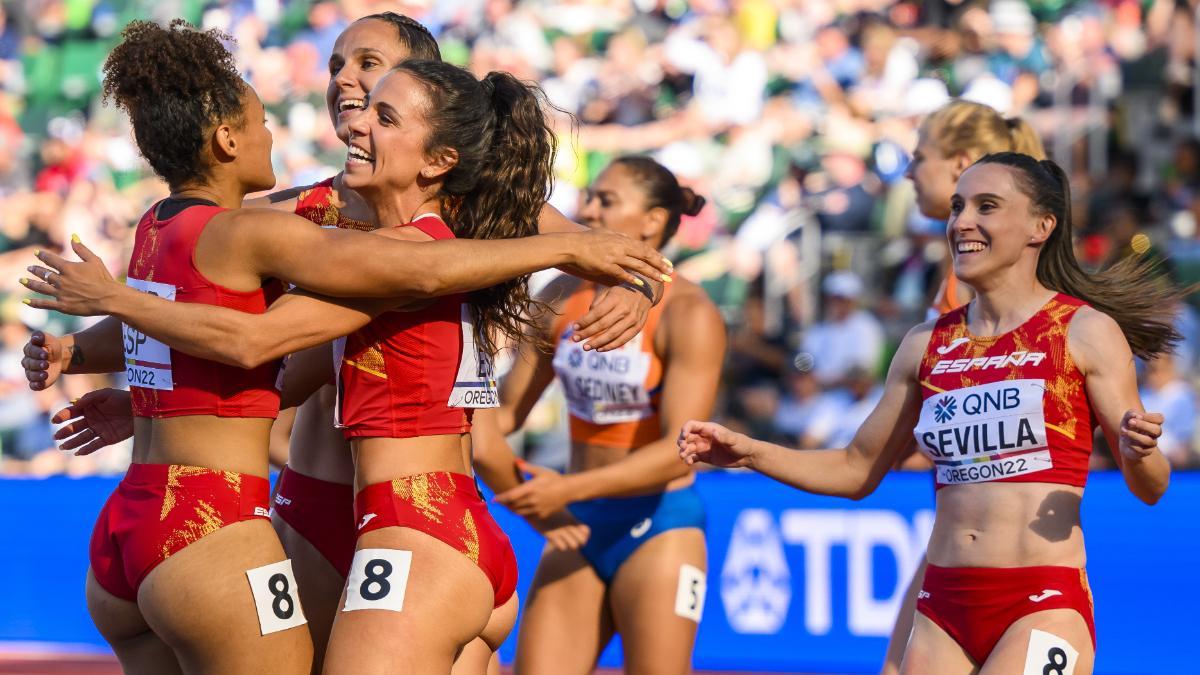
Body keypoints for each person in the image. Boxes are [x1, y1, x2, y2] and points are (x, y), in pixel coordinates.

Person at [18, 21, 668, 675]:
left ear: (432, 108)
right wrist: (123, 381)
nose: (344, 81)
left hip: (413, 512)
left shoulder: (466, 217)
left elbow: (596, 249)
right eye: (336, 63)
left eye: (371, 68)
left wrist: (634, 283)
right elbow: (228, 323)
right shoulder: (303, 212)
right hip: (323, 506)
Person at [681, 153, 1175, 674]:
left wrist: (1135, 450)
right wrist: (751, 452)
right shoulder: (925, 345)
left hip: (1042, 599)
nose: (961, 221)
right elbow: (855, 469)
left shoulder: (1084, 330)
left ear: (1041, 226)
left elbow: (1152, 486)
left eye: (987, 206)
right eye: (958, 206)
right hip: (943, 606)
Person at [473, 156, 726, 675]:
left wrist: (565, 490)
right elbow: (507, 413)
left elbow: (680, 455)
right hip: (579, 524)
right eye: (588, 195)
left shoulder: (690, 312)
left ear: (652, 222)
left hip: (659, 524)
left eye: (606, 200)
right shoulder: (562, 294)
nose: (586, 208)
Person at [881, 99, 1048, 673]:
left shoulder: (981, 283)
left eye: (917, 157)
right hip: (969, 552)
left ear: (961, 163)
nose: (907, 173)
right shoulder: (974, 271)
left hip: (1000, 566)